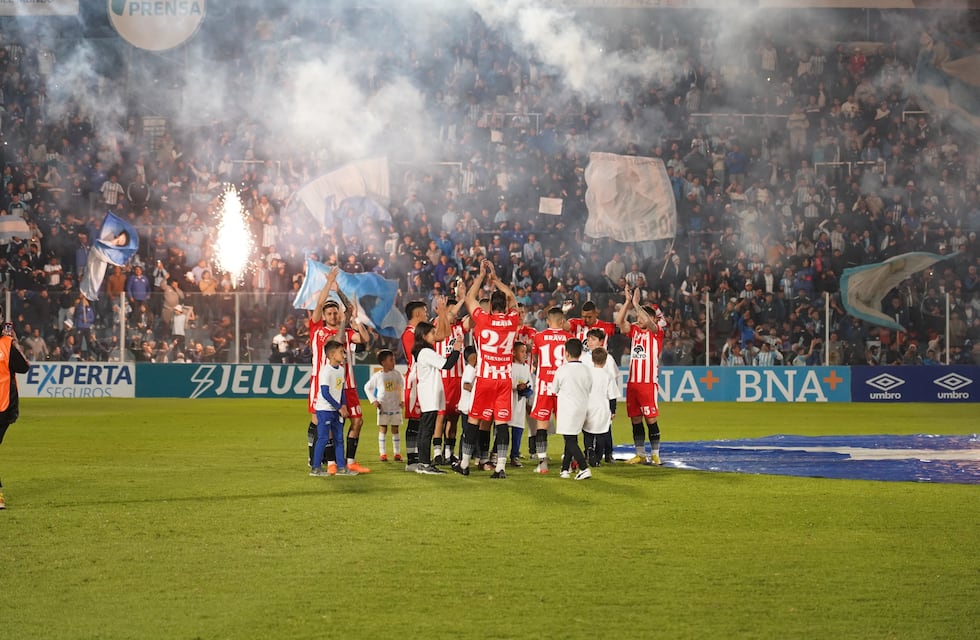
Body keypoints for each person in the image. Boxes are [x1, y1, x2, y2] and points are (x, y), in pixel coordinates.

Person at [453, 259, 519, 479]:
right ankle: (500, 468)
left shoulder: (483, 319)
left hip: (485, 378)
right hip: (504, 380)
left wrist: (482, 276)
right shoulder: (513, 320)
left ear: (490, 306)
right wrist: (496, 280)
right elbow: (512, 297)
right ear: (506, 307)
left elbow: (470, 298)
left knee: (474, 420)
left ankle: (464, 464)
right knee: (502, 423)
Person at [616, 285, 667, 466]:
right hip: (633, 383)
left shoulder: (657, 333)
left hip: (648, 383)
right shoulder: (635, 331)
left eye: (641, 317)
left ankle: (655, 455)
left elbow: (650, 323)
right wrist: (628, 302)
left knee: (650, 419)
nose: (638, 319)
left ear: (652, 318)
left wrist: (637, 304)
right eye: (637, 317)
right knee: (635, 420)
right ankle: (640, 454)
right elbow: (620, 322)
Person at [410, 321, 460, 474]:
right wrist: (456, 350)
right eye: (432, 333)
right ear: (424, 336)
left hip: (427, 394)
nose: (434, 336)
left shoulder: (422, 352)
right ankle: (425, 464)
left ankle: (422, 462)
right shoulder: (426, 352)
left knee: (424, 429)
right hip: (430, 395)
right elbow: (447, 365)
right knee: (427, 429)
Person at [529, 305, 572, 474]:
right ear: (562, 321)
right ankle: (568, 462)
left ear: (547, 321)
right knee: (567, 426)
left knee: (542, 426)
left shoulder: (538, 337)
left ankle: (543, 464)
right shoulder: (569, 337)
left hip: (544, 387)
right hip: (563, 388)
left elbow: (535, 360)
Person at [309, 340, 357, 477]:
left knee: (339, 439)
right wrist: (338, 407)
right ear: (331, 355)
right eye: (341, 352)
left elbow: (340, 390)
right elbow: (325, 393)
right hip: (324, 410)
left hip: (336, 410)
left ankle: (341, 468)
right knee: (323, 438)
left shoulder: (341, 370)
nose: (344, 355)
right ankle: (315, 468)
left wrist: (344, 405)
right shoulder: (326, 371)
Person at [551, 338, 592, 480]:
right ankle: (564, 469)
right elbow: (590, 388)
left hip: (567, 409)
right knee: (571, 437)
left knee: (569, 439)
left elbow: (554, 389)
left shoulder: (562, 369)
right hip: (582, 407)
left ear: (567, 353)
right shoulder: (586, 370)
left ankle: (584, 467)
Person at [0, 317, 29, 509]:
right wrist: (14, 342)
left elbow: (23, 367)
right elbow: (24, 367)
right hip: (4, 406)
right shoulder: (7, 344)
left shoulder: (6, 343)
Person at [584, 328, 620, 463]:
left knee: (605, 428)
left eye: (593, 339)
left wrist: (612, 407)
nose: (590, 342)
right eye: (588, 339)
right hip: (591, 401)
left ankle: (607, 453)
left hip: (601, 400)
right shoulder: (584, 358)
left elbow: (613, 378)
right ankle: (592, 454)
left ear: (601, 341)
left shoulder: (608, 359)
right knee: (591, 429)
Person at [364, 349, 403, 462]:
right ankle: (383, 453)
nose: (393, 362)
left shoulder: (397, 374)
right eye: (391, 360)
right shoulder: (378, 376)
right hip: (383, 406)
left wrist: (403, 400)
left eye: (393, 360)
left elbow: (404, 386)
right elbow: (367, 388)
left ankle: (397, 453)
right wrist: (373, 400)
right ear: (383, 362)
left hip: (395, 406)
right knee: (383, 428)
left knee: (395, 429)